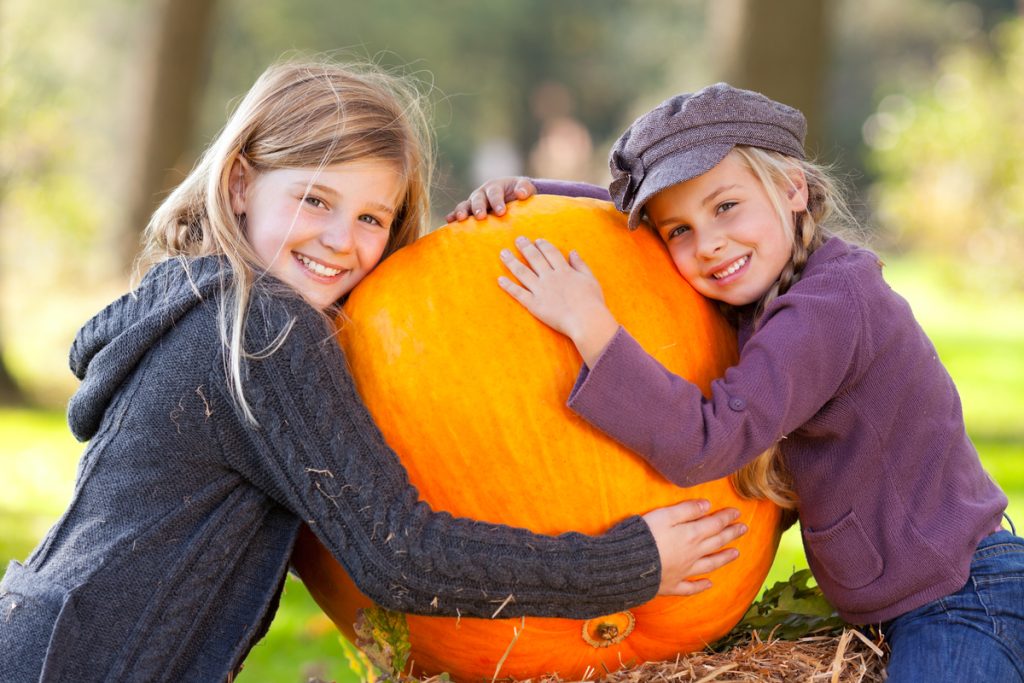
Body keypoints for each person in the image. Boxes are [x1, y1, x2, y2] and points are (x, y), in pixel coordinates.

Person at [0, 63, 749, 682]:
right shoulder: (260, 328)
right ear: (237, 185)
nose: (340, 240)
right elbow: (399, 555)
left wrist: (484, 230)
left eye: (372, 218)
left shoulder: (204, 299)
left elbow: (408, 343)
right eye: (314, 199)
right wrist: (632, 563)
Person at [450, 83, 1024, 682]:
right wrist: (533, 195)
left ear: (792, 187)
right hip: (909, 599)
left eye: (726, 208)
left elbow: (709, 441)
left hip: (963, 595)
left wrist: (590, 324)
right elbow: (622, 229)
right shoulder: (770, 283)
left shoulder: (829, 306)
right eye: (681, 231)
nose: (709, 243)